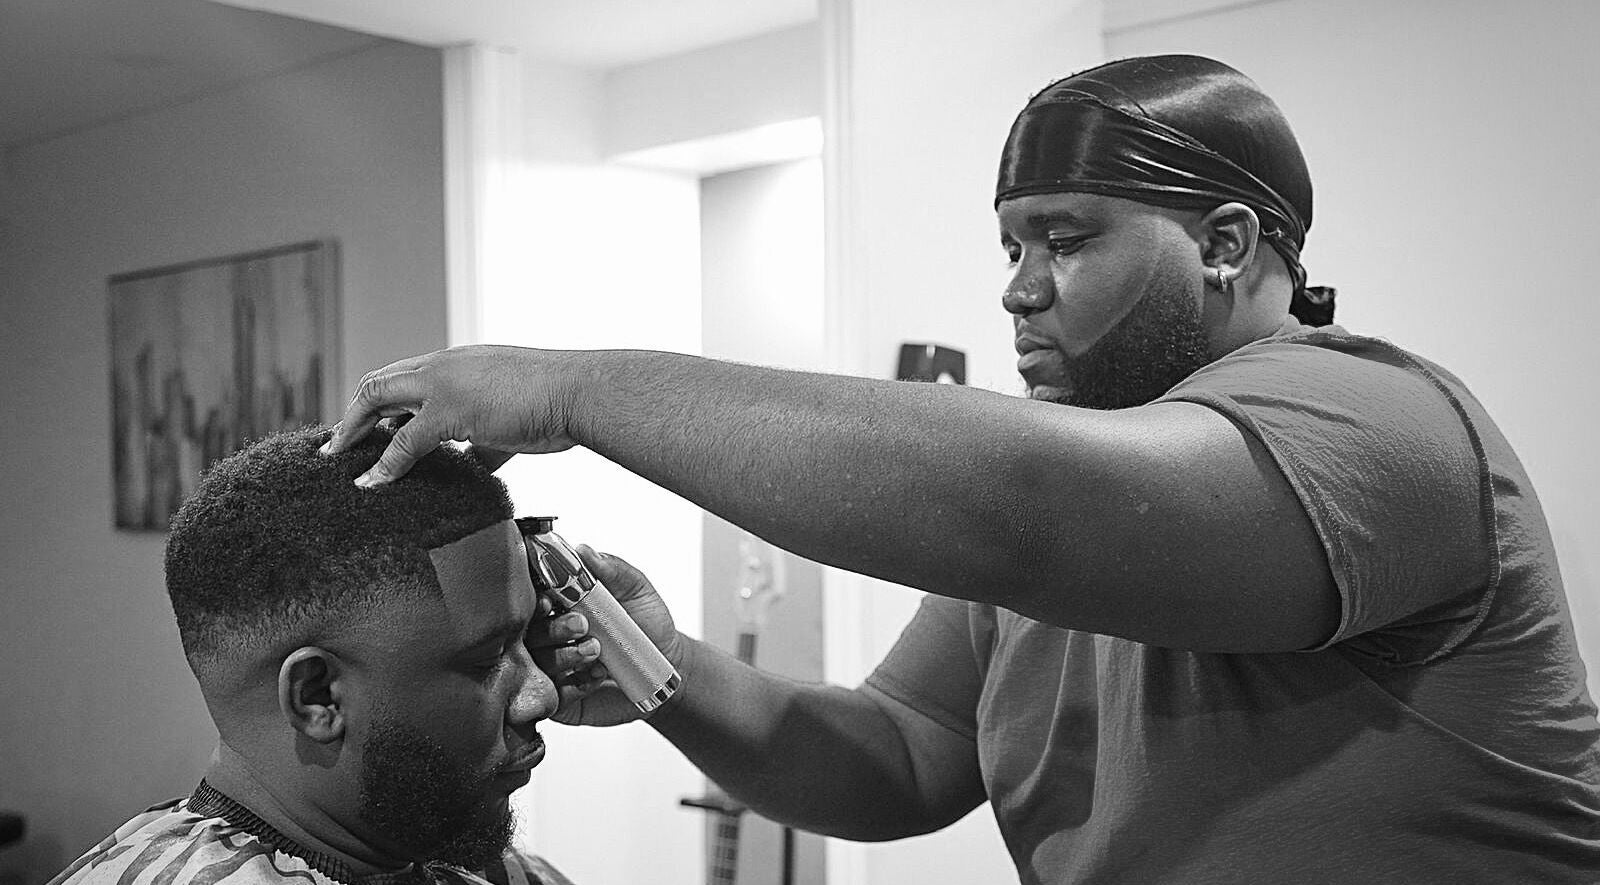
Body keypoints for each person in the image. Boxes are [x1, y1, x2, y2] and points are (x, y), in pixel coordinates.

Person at [324, 55, 1600, 881]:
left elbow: (1016, 507)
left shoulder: (1380, 423)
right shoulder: (1090, 485)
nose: (1018, 289)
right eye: (1010, 244)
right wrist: (672, 674)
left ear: (1224, 243)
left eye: (1066, 238)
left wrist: (570, 387)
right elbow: (898, 758)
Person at [51, 426, 577, 885]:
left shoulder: (460, 859)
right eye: (486, 660)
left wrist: (659, 671)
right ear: (317, 696)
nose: (542, 695)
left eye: (526, 637)